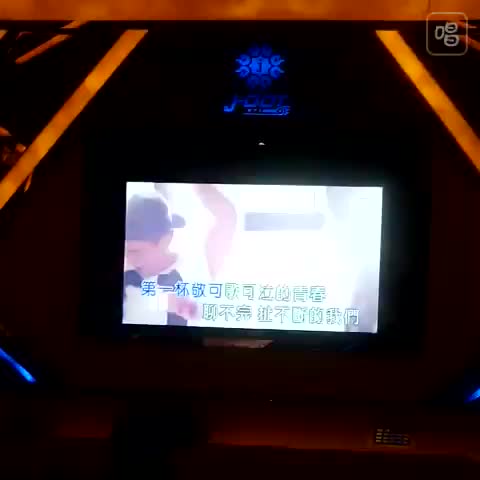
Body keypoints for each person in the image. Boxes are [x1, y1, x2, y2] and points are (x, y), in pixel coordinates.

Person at [123, 184, 237, 326]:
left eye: (135, 251)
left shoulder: (196, 268)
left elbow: (227, 217)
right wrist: (164, 302)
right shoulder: (126, 276)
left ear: (165, 240)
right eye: (125, 250)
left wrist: (198, 181)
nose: (129, 258)